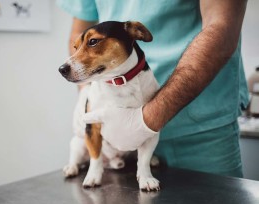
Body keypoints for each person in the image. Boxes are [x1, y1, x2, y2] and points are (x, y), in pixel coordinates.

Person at [58, 0, 249, 177]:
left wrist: (147, 120)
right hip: (117, 137)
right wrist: (86, 91)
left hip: (201, 129)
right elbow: (79, 34)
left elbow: (221, 26)